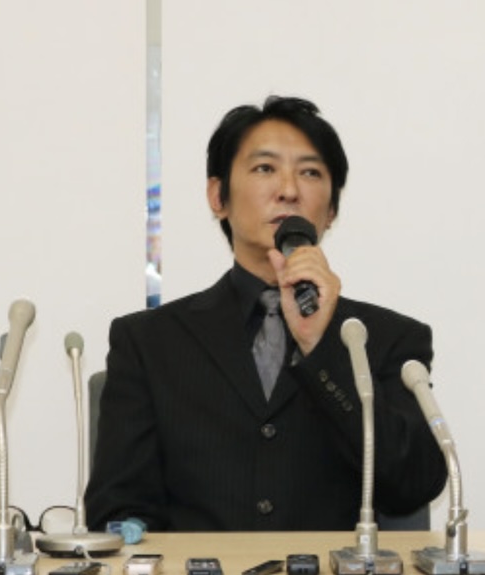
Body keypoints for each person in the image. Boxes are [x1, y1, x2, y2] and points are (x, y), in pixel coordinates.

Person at [85, 96, 447, 532]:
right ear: (218, 196)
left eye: (310, 173)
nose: (289, 190)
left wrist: (322, 347)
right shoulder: (148, 342)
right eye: (264, 168)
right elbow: (118, 508)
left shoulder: (387, 339)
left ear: (332, 210)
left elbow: (413, 484)